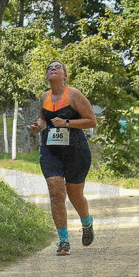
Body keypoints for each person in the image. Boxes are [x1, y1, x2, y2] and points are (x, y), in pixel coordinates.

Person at [27, 61, 98, 256]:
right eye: (49, 67)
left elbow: (92, 121)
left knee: (75, 196)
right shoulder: (44, 97)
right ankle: (64, 241)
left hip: (76, 151)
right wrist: (37, 126)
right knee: (57, 194)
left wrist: (67, 122)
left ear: (65, 75)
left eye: (57, 67)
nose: (52, 69)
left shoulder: (74, 95)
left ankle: (87, 223)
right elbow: (44, 119)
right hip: (51, 151)